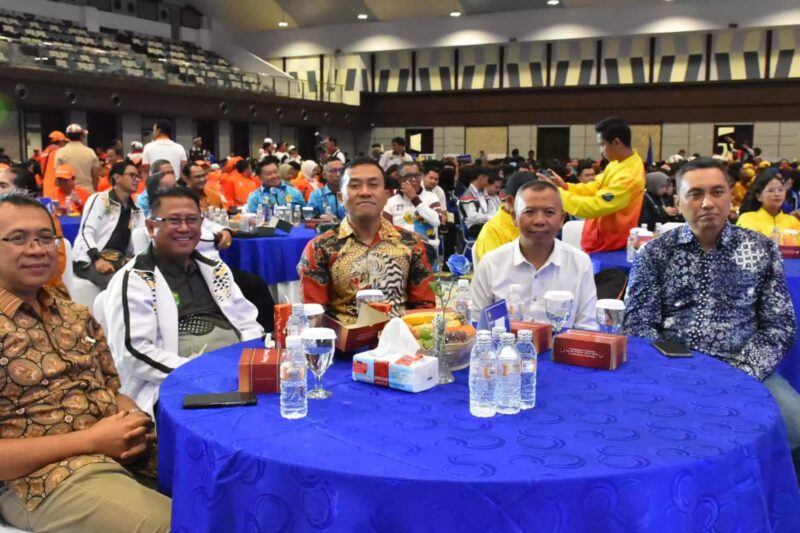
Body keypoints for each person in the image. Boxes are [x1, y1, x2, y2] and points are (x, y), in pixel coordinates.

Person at [0, 191, 171, 532]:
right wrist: (92, 441)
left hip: (121, 452)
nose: (37, 249)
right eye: (18, 238)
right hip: (41, 480)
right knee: (180, 525)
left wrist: (133, 419)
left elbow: (111, 388)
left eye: (46, 237)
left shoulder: (75, 314)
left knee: (229, 486)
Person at [623, 157, 800, 467]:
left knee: (795, 425)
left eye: (717, 192)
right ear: (677, 202)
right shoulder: (655, 253)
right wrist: (682, 371)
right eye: (695, 194)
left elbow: (779, 325)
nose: (707, 203)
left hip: (746, 369)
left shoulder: (760, 249)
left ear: (731, 197)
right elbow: (638, 326)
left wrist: (743, 371)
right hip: (671, 370)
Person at [103, 187, 262, 417]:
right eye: (174, 221)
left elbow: (247, 322)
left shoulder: (215, 269)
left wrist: (248, 365)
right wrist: (202, 373)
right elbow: (136, 352)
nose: (185, 228)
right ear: (150, 227)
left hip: (235, 373)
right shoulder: (135, 279)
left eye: (192, 220)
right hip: (174, 382)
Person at [298, 157, 435, 323]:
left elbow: (424, 306)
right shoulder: (320, 247)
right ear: (341, 197)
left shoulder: (410, 243)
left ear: (386, 196)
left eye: (373, 184)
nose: (365, 192)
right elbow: (314, 314)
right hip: (344, 346)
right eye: (355, 185)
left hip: (400, 341)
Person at [471, 180, 597, 328]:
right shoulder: (491, 264)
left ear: (562, 219)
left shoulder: (580, 263)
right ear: (514, 217)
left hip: (561, 350)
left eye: (549, 212)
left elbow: (587, 326)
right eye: (529, 212)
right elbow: (478, 326)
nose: (539, 221)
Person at [539, 116, 645, 253]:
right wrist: (566, 187)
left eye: (602, 145)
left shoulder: (629, 176)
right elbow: (594, 187)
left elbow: (593, 206)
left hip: (609, 247)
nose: (601, 151)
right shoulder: (616, 163)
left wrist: (556, 193)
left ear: (616, 142)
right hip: (597, 242)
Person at [73, 160, 144, 290]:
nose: (137, 179)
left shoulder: (137, 211)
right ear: (117, 177)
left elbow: (139, 243)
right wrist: (97, 259)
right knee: (118, 285)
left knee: (146, 282)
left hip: (120, 260)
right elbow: (86, 232)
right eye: (132, 175)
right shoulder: (99, 199)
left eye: (138, 176)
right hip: (91, 260)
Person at [473, 172, 537, 264]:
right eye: (531, 202)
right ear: (511, 200)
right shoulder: (492, 231)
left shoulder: (537, 225)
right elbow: (495, 273)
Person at [384, 162, 441, 249]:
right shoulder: (391, 202)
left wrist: (415, 199)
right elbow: (386, 230)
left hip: (425, 247)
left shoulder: (431, 197)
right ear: (399, 179)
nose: (414, 180)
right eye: (409, 176)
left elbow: (436, 222)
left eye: (417, 176)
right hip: (399, 247)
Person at [737, 170, 800, 239]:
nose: (777, 194)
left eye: (780, 190)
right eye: (771, 190)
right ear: (759, 196)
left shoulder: (793, 221)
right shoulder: (747, 219)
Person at [54, 123, 100, 191]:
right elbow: (95, 175)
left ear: (67, 137)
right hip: (88, 192)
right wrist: (95, 190)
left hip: (69, 192)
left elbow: (57, 177)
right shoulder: (90, 152)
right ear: (81, 136)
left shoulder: (60, 152)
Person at [458, 166, 491, 238]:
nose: (487, 183)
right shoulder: (467, 195)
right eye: (486, 179)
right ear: (481, 178)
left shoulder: (483, 192)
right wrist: (490, 217)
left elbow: (490, 209)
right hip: (473, 226)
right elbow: (472, 216)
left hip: (485, 223)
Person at [40, 130, 68, 198]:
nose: (65, 144)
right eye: (64, 142)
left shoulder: (43, 153)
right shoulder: (59, 152)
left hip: (46, 187)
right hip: (56, 187)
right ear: (61, 141)